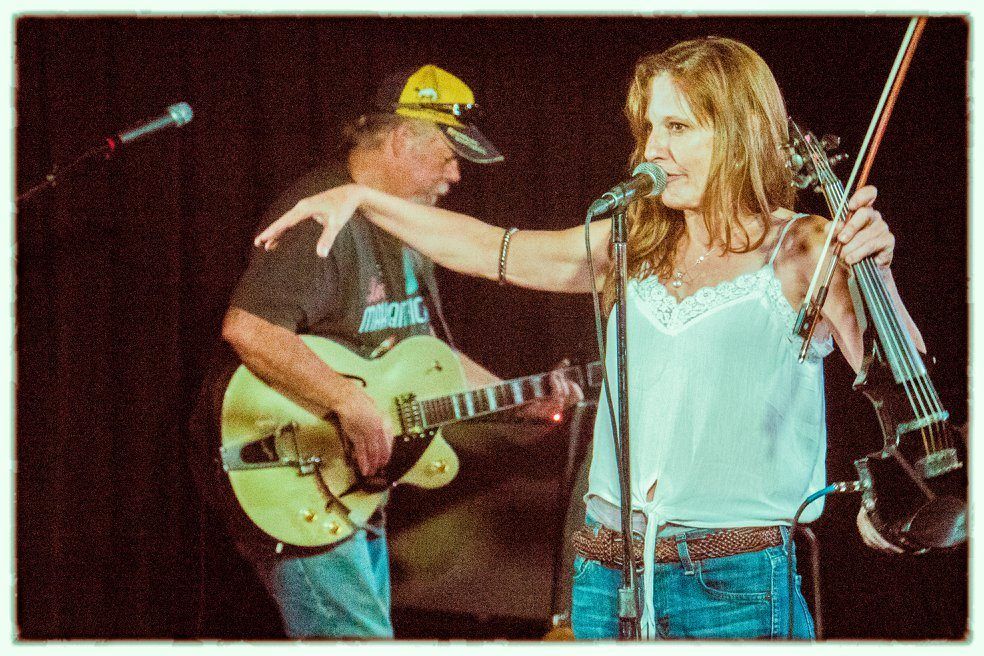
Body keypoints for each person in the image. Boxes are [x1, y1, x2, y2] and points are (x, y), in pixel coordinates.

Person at [256, 37, 922, 640]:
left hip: (735, 581)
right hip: (608, 574)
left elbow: (901, 378)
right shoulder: (633, 243)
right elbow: (492, 249)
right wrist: (362, 200)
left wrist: (877, 274)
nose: (653, 149)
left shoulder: (803, 248)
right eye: (650, 128)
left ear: (739, 135)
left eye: (678, 128)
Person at [190, 64, 580, 639]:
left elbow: (429, 355)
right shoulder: (322, 215)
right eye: (448, 155)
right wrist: (349, 401)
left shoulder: (408, 229)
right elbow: (248, 327)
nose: (455, 175)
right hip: (288, 463)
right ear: (400, 140)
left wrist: (514, 398)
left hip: (351, 476)